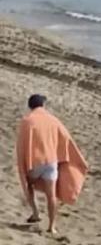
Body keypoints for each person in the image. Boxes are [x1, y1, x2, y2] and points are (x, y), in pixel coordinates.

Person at [16, 94, 88, 233]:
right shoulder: (53, 120)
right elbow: (66, 138)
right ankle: (52, 227)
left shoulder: (27, 120)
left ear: (30, 106)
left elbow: (22, 145)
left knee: (28, 183)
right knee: (51, 195)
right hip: (51, 162)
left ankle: (36, 213)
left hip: (35, 162)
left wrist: (23, 164)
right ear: (43, 105)